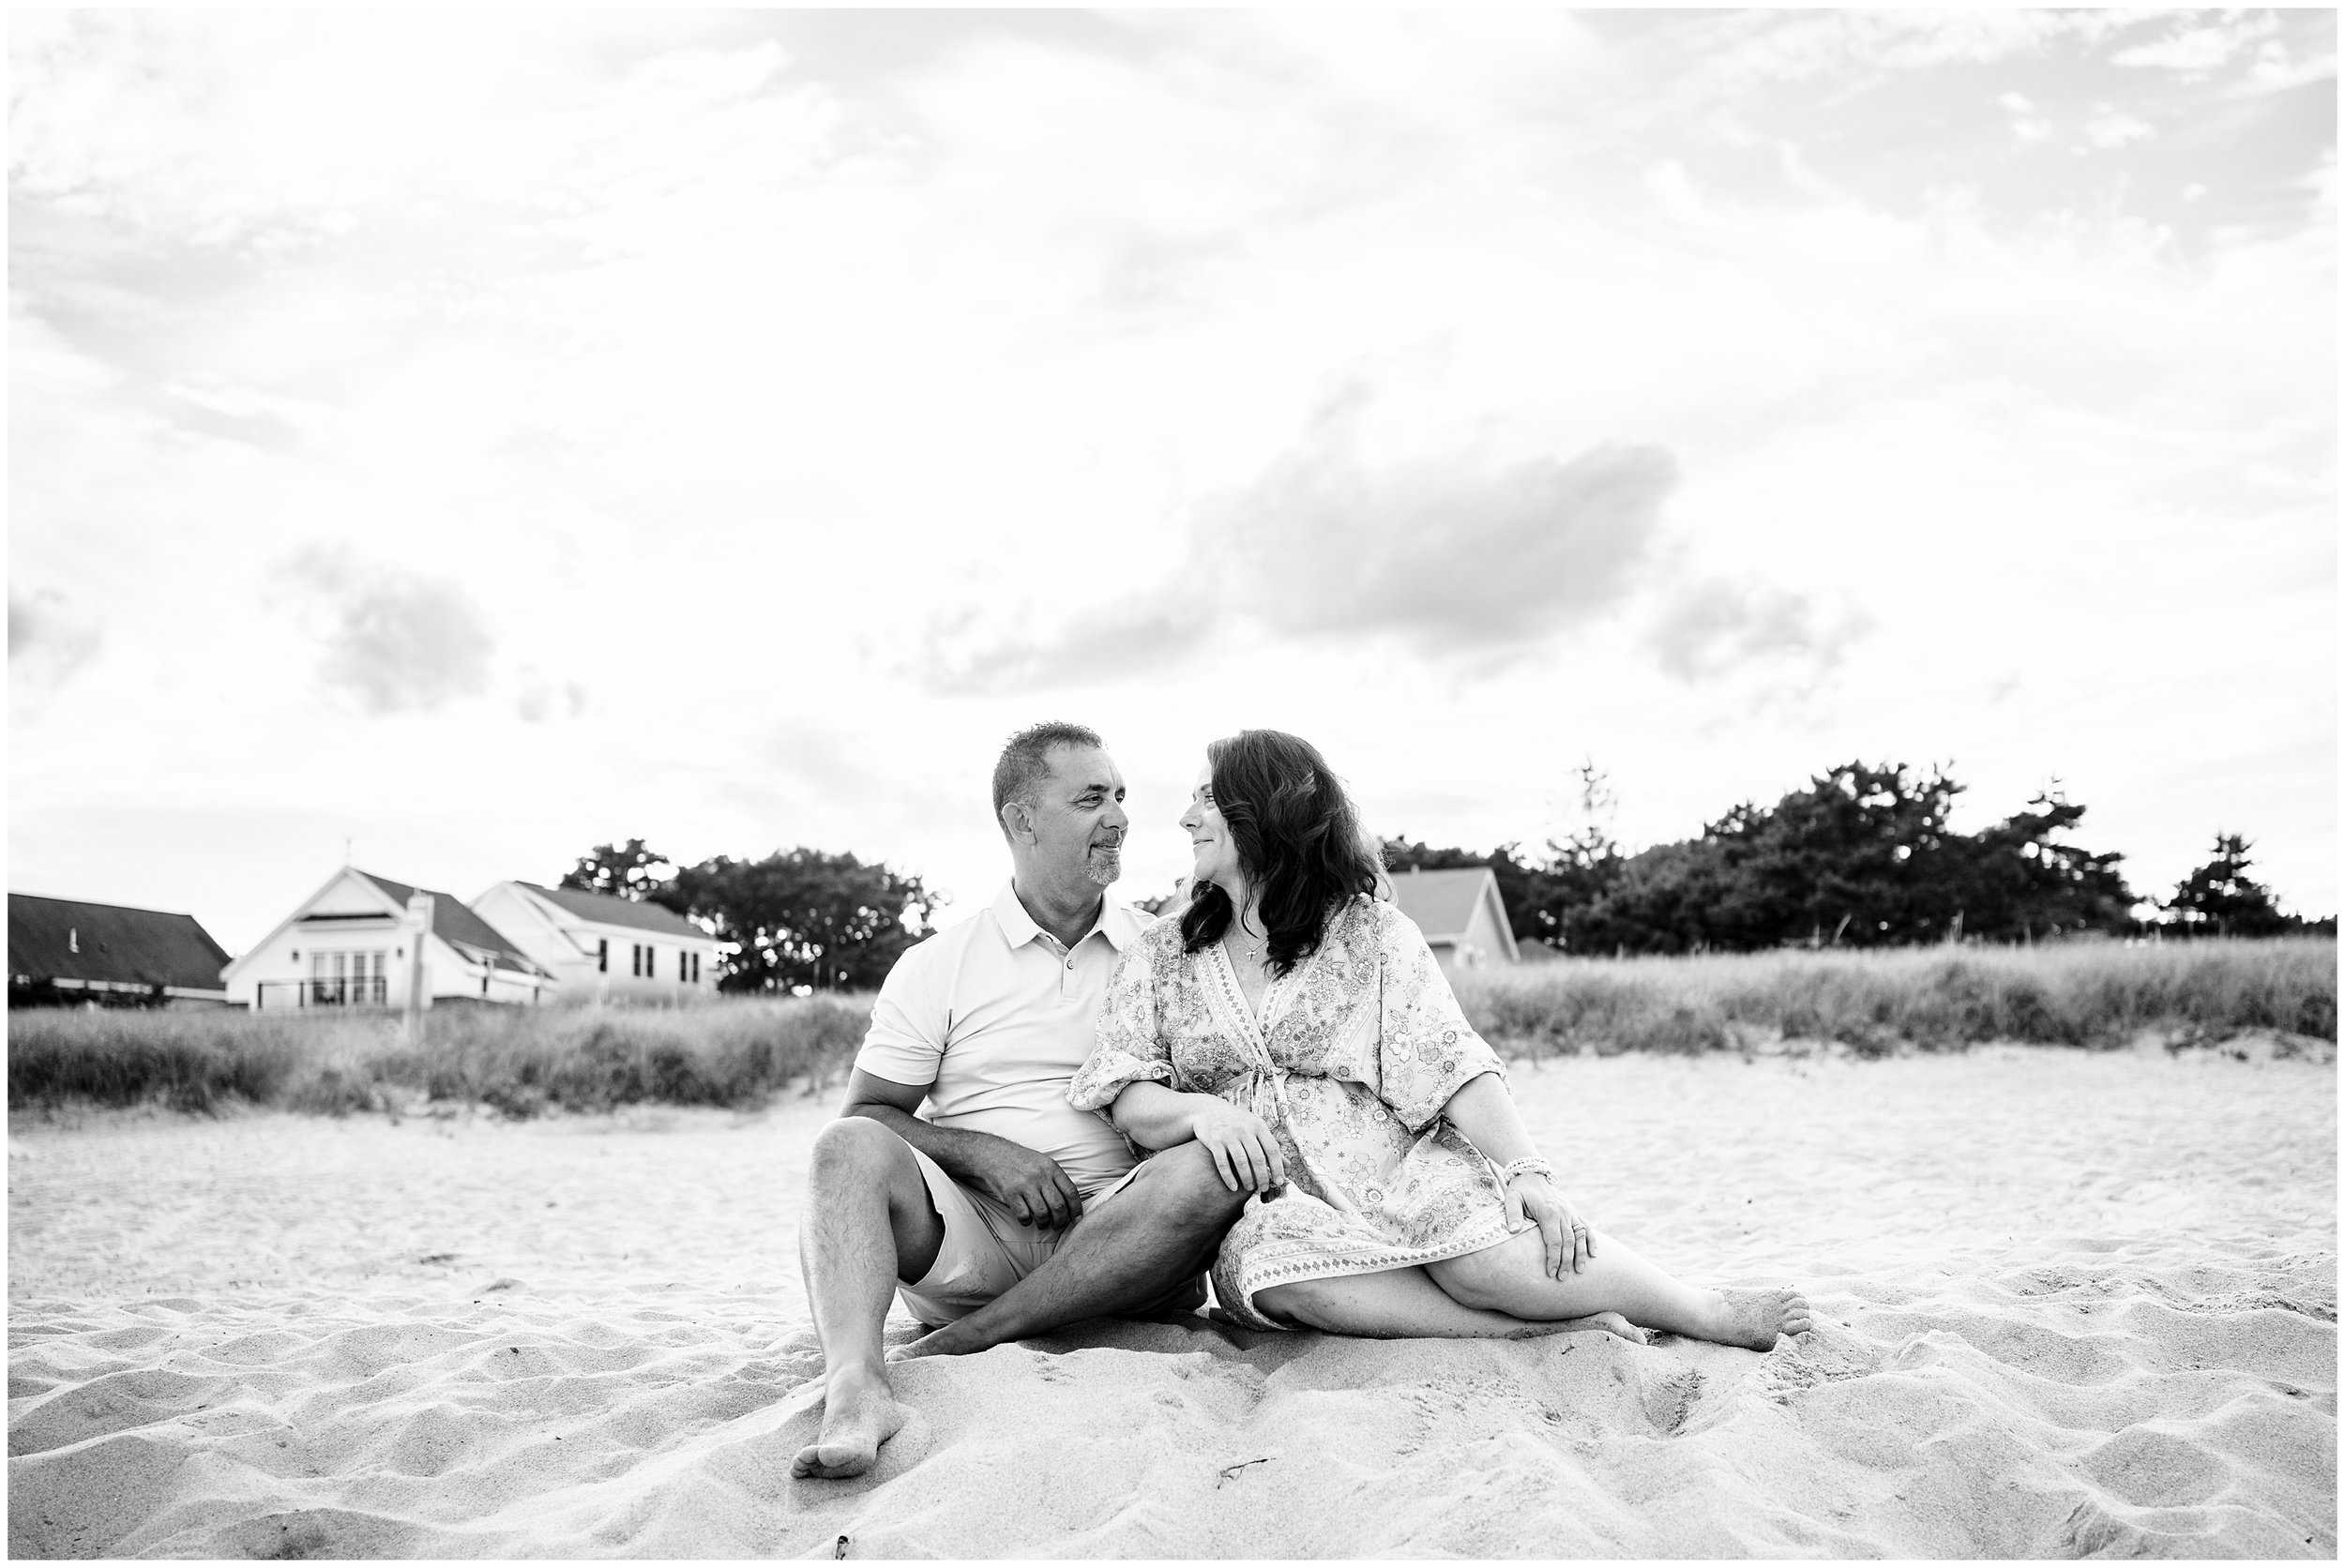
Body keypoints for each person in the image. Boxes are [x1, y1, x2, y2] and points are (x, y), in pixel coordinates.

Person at [1067, 729, 1812, 1348]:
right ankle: (1520, 1336)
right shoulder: (1164, 953)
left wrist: (1527, 1170)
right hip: (1270, 1199)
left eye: (1206, 799)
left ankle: (1699, 1309)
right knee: (1277, 1269)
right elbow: (1126, 1089)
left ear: (1258, 813)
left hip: (1398, 1164)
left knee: (1485, 1266)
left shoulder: (1370, 934)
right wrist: (1201, 1114)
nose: (1187, 818)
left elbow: (1450, 1058)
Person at [790, 722, 1255, 1481]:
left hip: (1125, 1241)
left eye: (1121, 796)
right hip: (975, 1238)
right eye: (1091, 799)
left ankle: (980, 1338)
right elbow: (868, 1114)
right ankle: (857, 1387)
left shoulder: (1165, 949)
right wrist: (983, 1155)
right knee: (840, 1152)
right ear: (1021, 819)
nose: (1120, 817)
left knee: (1209, 1168)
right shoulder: (939, 964)